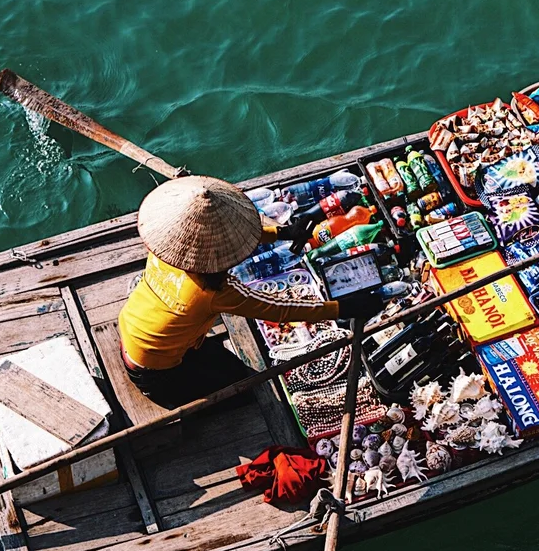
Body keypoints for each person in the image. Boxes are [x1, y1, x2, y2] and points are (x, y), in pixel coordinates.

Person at [118, 175, 379, 408]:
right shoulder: (215, 292)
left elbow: (235, 236)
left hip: (132, 326)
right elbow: (280, 309)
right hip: (155, 371)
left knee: (224, 363)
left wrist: (283, 232)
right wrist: (340, 308)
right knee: (243, 388)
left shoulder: (165, 250)